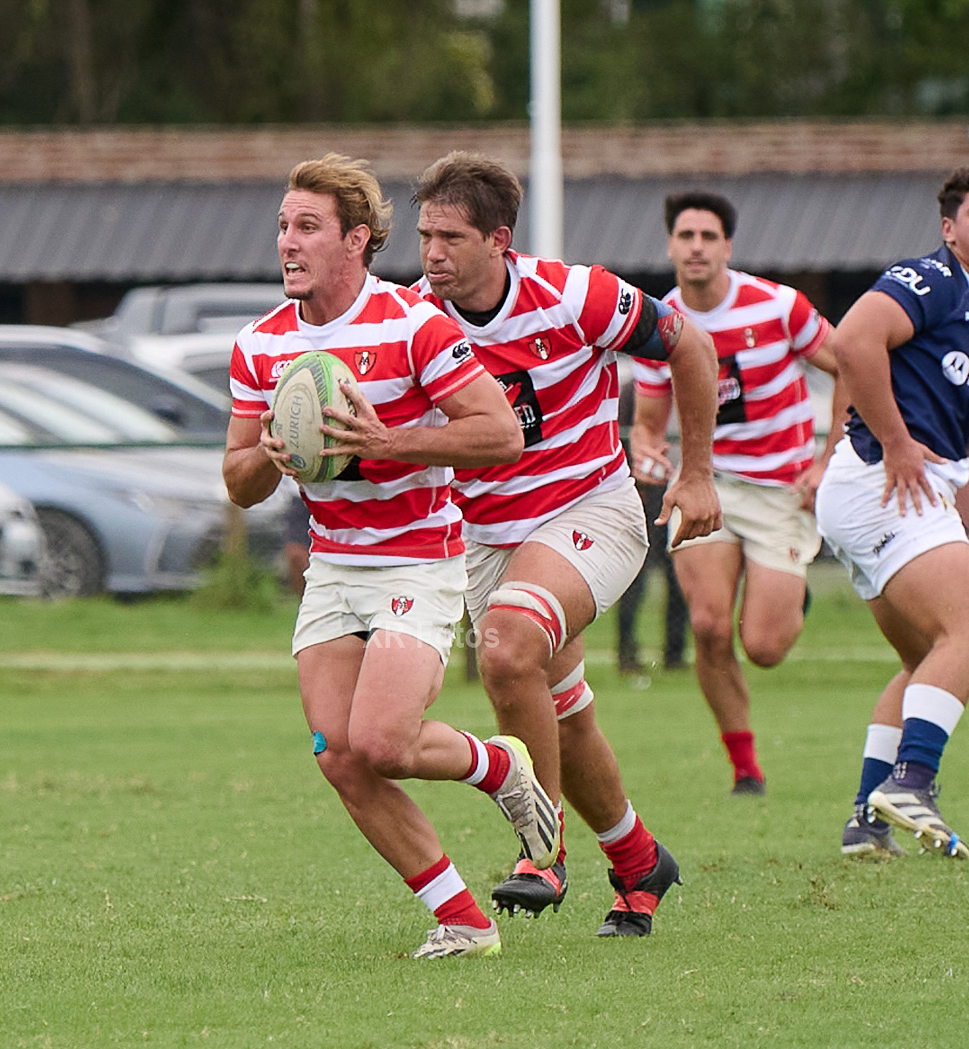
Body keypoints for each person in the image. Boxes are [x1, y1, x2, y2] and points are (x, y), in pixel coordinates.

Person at [223, 153, 558, 960]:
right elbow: (237, 481)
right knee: (340, 757)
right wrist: (271, 452)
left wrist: (388, 441)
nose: (288, 242)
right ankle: (464, 920)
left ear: (356, 240)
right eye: (283, 225)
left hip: (417, 559)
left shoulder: (415, 325)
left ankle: (499, 766)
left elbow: (500, 434)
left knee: (381, 740)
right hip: (335, 565)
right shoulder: (261, 345)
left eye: (308, 226)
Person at [409, 151, 722, 935]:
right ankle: (641, 863)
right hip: (486, 538)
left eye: (450, 237)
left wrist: (696, 473)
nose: (433, 254)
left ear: (499, 240)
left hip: (592, 510)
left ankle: (541, 851)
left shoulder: (576, 295)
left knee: (508, 646)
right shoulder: (412, 319)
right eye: (424, 236)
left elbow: (690, 346)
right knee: (563, 716)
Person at [816, 163, 969, 860]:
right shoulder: (931, 280)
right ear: (949, 229)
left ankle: (866, 821)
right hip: (883, 480)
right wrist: (899, 442)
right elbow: (851, 341)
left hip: (888, 492)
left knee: (926, 659)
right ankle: (912, 782)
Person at [629, 191, 840, 796]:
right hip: (706, 483)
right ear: (670, 246)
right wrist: (647, 450)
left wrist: (827, 460)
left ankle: (787, 596)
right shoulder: (660, 322)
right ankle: (745, 768)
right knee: (708, 625)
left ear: (728, 246)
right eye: (686, 235)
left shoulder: (779, 306)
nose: (696, 247)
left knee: (765, 647)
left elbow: (849, 365)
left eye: (708, 236)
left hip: (780, 489)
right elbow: (648, 422)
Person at [614, 379, 689, 677]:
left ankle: (675, 652)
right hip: (645, 491)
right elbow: (619, 437)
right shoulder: (633, 390)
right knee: (634, 577)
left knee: (679, 576)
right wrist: (633, 485)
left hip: (682, 486)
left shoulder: (693, 384)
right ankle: (626, 651)